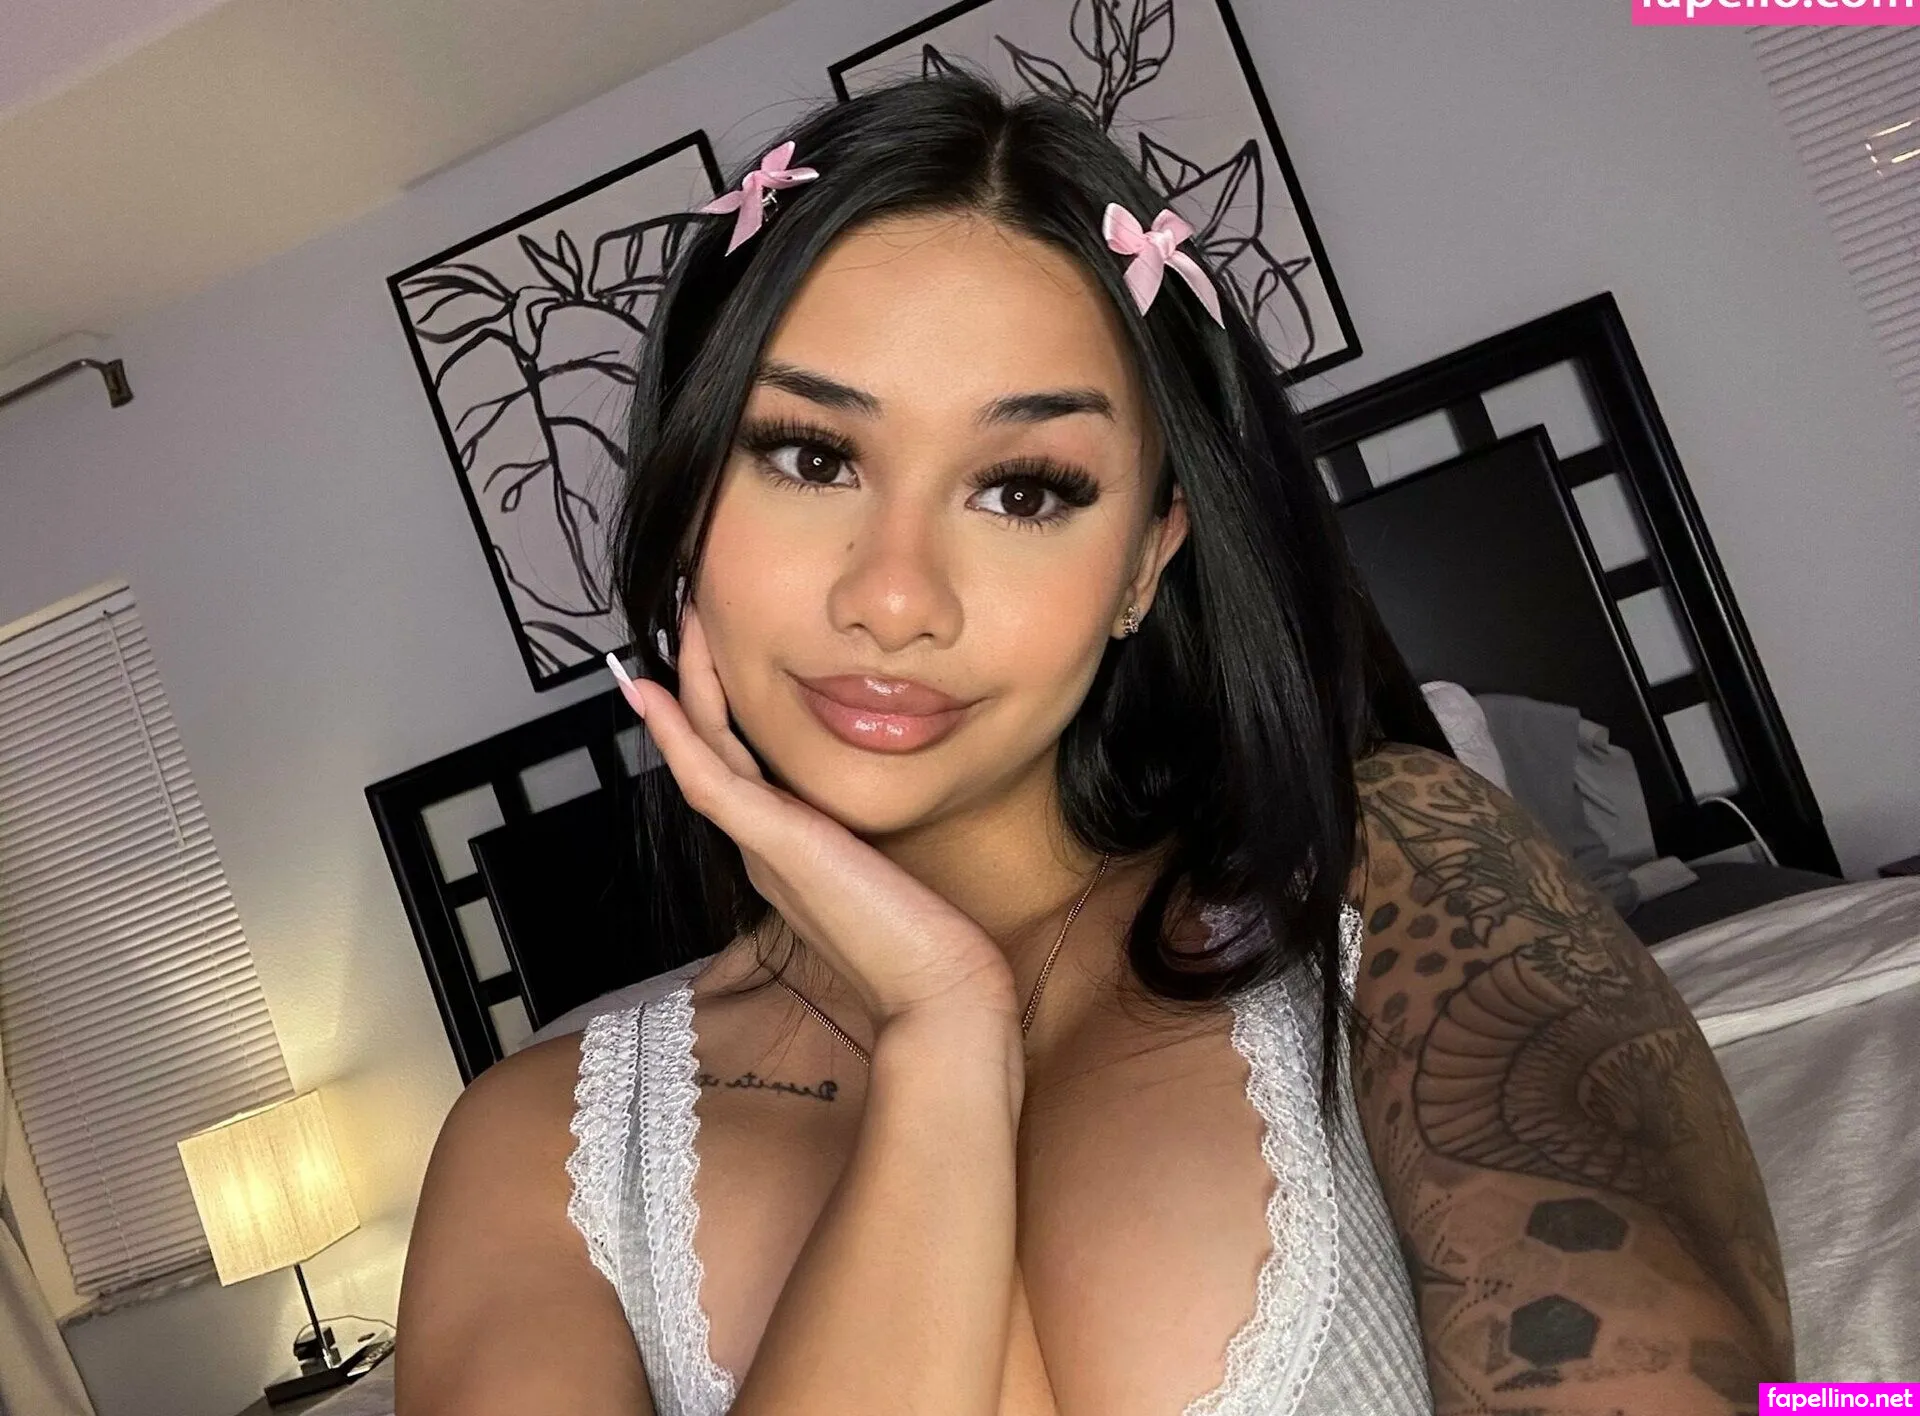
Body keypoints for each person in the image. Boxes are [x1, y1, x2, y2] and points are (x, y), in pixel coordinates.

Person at [395, 72, 1792, 1415]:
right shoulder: (539, 1153)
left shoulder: (1394, 869)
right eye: (813, 458)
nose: (895, 597)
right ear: (688, 494)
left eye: (1023, 490)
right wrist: (941, 1035)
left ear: (1145, 559)